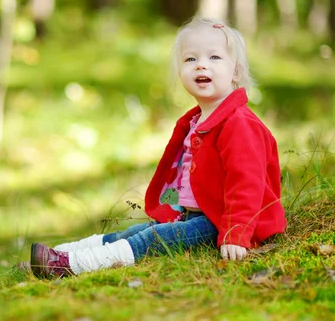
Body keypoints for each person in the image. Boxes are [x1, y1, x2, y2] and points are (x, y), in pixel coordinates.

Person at [28, 16, 287, 279]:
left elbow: (247, 183)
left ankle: (71, 266)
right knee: (132, 232)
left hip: (221, 222)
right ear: (179, 71)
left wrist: (236, 233)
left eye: (214, 58)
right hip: (195, 215)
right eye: (190, 59)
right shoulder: (197, 120)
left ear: (236, 71)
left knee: (151, 239)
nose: (201, 66)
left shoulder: (239, 123)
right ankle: (60, 254)